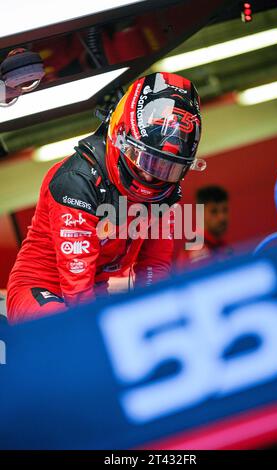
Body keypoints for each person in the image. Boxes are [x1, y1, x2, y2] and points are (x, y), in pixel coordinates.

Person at [7, 72, 202, 323]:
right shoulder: (76, 181)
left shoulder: (165, 194)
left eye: (166, 167)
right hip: (41, 289)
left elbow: (154, 267)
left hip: (97, 288)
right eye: (146, 160)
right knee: (73, 335)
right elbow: (76, 287)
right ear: (122, 138)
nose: (152, 176)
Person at [177, 185, 231, 267]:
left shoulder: (223, 247)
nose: (222, 217)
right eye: (214, 211)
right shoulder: (196, 251)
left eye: (225, 210)